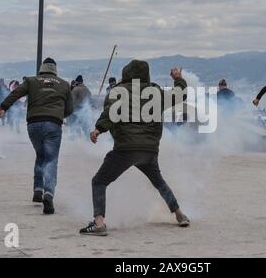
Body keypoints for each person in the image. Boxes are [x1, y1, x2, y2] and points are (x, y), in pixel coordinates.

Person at [79, 60, 190, 236]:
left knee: (99, 181)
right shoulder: (156, 92)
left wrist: (98, 129)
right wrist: (178, 79)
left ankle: (99, 223)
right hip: (149, 150)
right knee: (159, 183)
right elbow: (179, 94)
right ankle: (180, 215)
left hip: (126, 148)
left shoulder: (118, 92)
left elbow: (109, 114)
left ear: (126, 75)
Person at [0, 58, 73, 215]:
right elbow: (70, 108)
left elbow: (15, 94)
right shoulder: (64, 84)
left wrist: (3, 108)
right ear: (55, 69)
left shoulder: (30, 81)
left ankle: (37, 189)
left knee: (40, 156)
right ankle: (48, 194)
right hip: (53, 124)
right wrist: (58, 115)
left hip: (33, 125)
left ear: (41, 68)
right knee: (51, 159)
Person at [70, 75, 92, 139]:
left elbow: (72, 102)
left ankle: (77, 143)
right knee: (86, 129)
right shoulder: (87, 90)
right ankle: (88, 143)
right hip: (85, 113)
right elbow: (91, 101)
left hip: (76, 112)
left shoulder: (75, 89)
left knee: (75, 129)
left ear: (78, 82)